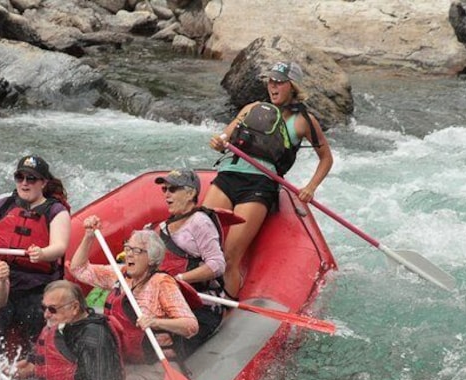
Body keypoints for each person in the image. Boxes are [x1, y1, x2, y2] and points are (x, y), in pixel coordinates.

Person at [205, 61, 333, 298]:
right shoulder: (253, 108)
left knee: (230, 257)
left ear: (292, 87)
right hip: (228, 176)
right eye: (271, 81)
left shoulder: (304, 121)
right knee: (202, 242)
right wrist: (218, 141)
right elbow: (225, 137)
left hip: (259, 187)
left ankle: (225, 313)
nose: (273, 86)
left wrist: (311, 187)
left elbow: (326, 158)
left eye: (279, 82)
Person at [69, 221, 199, 364]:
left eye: (136, 251)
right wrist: (88, 236)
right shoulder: (121, 274)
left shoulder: (162, 283)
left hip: (156, 364)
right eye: (128, 248)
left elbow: (191, 326)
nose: (129, 255)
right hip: (126, 360)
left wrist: (156, 322)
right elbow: (79, 269)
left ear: (151, 259)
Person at [0, 155, 72, 352]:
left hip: (36, 281)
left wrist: (42, 253)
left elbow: (59, 246)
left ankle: (34, 361)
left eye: (31, 178)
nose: (24, 183)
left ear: (43, 182)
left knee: (33, 315)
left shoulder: (56, 211)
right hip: (1, 275)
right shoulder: (2, 206)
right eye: (20, 177)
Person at [13, 280, 124, 380]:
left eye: (53, 309)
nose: (46, 314)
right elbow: (35, 364)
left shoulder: (94, 335)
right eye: (44, 308)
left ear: (75, 308)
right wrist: (13, 372)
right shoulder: (56, 324)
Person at [152, 169, 227, 353]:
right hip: (172, 303)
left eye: (173, 189)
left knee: (169, 350)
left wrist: (178, 279)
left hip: (202, 306)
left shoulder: (200, 222)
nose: (167, 194)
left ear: (191, 193)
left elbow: (217, 264)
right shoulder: (163, 227)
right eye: (165, 189)